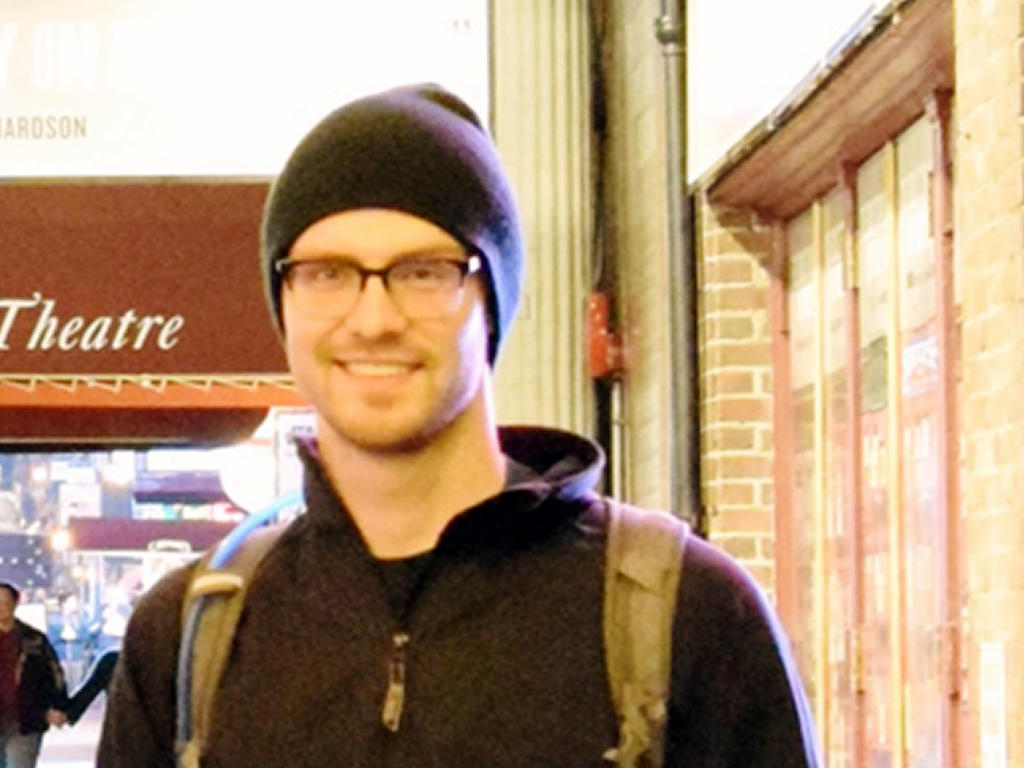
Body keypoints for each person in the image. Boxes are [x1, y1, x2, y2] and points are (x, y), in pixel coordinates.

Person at [98, 83, 821, 767]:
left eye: (423, 272)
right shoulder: (187, 641)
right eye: (326, 273)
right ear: (282, 301)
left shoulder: (685, 616)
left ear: (492, 300)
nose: (374, 319)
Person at [0, 582, 67, 768]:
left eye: (6, 602)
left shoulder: (34, 640)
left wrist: (57, 705)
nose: (2, 608)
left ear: (16, 603)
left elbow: (54, 675)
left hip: (27, 720)